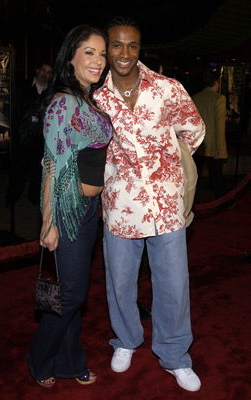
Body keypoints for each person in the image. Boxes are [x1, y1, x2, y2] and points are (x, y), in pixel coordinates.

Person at [94, 16, 205, 392]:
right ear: (106, 47)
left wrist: (169, 166)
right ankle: (125, 340)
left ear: (140, 49)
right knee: (121, 282)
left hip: (167, 205)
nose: (124, 53)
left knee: (173, 284)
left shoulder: (167, 88)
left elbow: (194, 128)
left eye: (132, 46)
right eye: (116, 45)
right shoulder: (95, 96)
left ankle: (174, 355)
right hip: (120, 205)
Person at [27, 25, 113, 388]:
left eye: (102, 53)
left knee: (73, 293)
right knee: (74, 293)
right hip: (69, 209)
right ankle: (38, 358)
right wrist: (49, 223)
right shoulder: (64, 101)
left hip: (88, 211)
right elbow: (51, 165)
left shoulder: (87, 98)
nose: (98, 60)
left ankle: (70, 360)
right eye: (89, 52)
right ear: (71, 56)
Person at [5, 63, 52, 206]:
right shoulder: (23, 88)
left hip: (40, 138)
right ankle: (11, 198)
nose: (45, 74)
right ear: (37, 71)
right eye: (43, 70)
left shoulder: (51, 93)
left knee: (38, 172)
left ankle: (35, 199)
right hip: (22, 136)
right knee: (19, 169)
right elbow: (14, 110)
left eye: (48, 72)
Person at [192, 70, 228, 201]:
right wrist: (221, 148)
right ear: (216, 82)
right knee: (217, 178)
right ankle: (221, 203)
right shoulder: (219, 98)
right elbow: (220, 126)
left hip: (197, 144)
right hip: (212, 147)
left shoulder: (195, 97)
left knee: (193, 178)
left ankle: (190, 204)